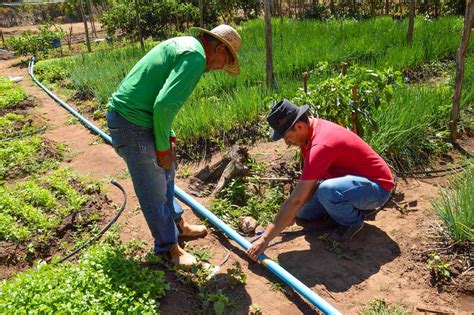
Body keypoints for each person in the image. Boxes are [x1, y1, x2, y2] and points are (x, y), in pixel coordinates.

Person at [106, 25, 241, 267]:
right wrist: (161, 149)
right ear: (219, 48)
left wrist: (168, 138)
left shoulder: (189, 47)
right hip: (131, 122)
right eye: (225, 60)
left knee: (168, 174)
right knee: (153, 187)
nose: (221, 67)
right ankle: (168, 249)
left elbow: (162, 103)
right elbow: (164, 106)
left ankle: (178, 226)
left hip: (142, 119)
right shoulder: (196, 57)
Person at [247, 99, 394, 261]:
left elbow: (296, 199)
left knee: (327, 191)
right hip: (350, 183)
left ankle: (353, 222)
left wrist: (264, 239)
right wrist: (291, 214)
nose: (286, 142)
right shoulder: (308, 136)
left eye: (286, 136)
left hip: (377, 188)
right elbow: (306, 188)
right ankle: (342, 209)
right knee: (303, 214)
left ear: (299, 127)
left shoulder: (321, 145)